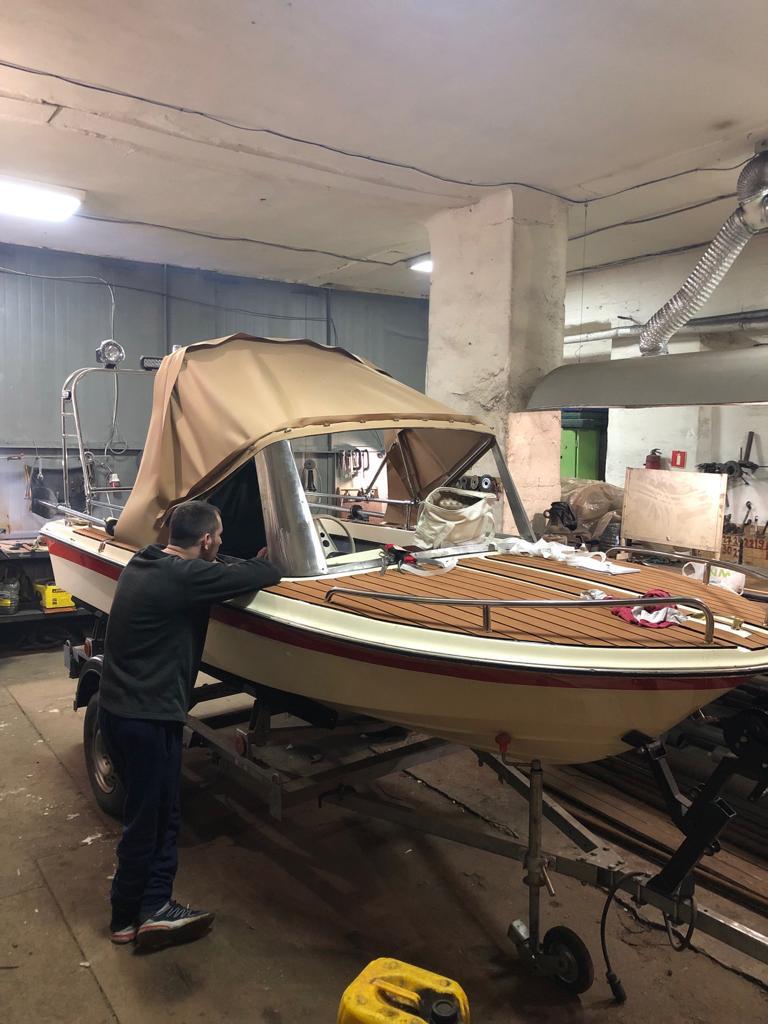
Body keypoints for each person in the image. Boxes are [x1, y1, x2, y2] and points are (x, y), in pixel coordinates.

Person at [97, 500, 281, 950]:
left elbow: (214, 570)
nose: (221, 542)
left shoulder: (145, 561)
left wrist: (224, 562)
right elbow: (266, 573)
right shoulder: (186, 578)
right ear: (206, 540)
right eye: (218, 537)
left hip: (116, 711)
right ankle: (146, 911)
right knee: (157, 819)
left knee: (146, 814)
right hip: (149, 717)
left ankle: (132, 913)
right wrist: (259, 562)